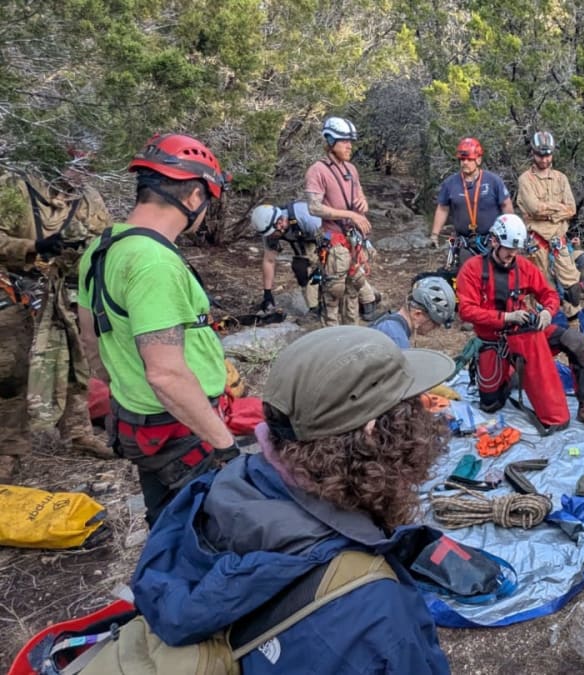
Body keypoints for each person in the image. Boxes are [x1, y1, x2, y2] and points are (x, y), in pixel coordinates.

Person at [132, 326, 453, 673]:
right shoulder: (374, 608)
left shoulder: (214, 493)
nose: (424, 417)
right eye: (410, 407)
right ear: (374, 431)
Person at [77, 133, 238, 524]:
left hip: (140, 423)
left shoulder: (104, 247)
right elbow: (165, 374)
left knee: (165, 523)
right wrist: (225, 446)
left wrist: (127, 386)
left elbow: (91, 341)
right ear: (194, 197)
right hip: (182, 431)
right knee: (207, 533)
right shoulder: (154, 263)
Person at [0, 169, 113, 480]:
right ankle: (8, 451)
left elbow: (104, 238)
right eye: (75, 158)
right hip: (12, 290)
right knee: (12, 373)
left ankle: (79, 434)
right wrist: (33, 246)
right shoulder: (14, 187)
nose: (81, 167)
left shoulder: (89, 198)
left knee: (73, 365)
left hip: (61, 292)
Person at [456, 214, 584, 434]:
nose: (512, 256)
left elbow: (549, 294)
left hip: (524, 333)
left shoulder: (523, 267)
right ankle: (512, 376)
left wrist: (547, 312)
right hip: (493, 340)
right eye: (508, 251)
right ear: (495, 241)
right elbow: (466, 311)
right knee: (490, 403)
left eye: (516, 251)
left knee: (578, 342)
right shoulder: (472, 269)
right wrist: (505, 318)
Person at [304, 116, 382, 326]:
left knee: (354, 289)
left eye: (350, 141)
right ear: (330, 141)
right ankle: (332, 338)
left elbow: (359, 193)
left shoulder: (351, 170)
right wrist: (350, 215)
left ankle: (352, 334)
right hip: (334, 241)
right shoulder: (317, 170)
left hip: (353, 240)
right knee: (333, 293)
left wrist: (362, 204)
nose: (349, 146)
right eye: (344, 141)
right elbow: (314, 207)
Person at [516, 130, 584, 320]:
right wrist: (557, 210)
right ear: (533, 153)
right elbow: (534, 208)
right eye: (540, 155)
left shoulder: (561, 178)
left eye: (547, 155)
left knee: (572, 285)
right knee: (539, 287)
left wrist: (548, 212)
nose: (545, 160)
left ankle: (574, 327)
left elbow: (571, 209)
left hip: (559, 240)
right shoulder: (525, 180)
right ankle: (543, 327)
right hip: (537, 243)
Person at [429, 137, 514, 273]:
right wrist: (434, 234)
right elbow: (443, 208)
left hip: (491, 241)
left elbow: (506, 205)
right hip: (464, 243)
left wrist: (511, 232)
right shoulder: (450, 183)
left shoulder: (493, 181)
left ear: (478, 160)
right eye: (462, 160)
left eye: (469, 159)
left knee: (494, 276)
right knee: (467, 277)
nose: (465, 163)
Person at [250, 201, 322, 318]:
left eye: (272, 234)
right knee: (301, 269)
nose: (270, 237)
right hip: (304, 239)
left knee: (328, 271)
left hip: (326, 235)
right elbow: (269, 260)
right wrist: (267, 293)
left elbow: (329, 239)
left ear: (279, 223)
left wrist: (320, 266)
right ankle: (315, 309)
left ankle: (358, 302)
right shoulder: (269, 229)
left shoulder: (306, 217)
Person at [371, 274, 457, 349]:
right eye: (434, 324)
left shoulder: (391, 323)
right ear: (417, 314)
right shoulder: (396, 339)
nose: (435, 329)